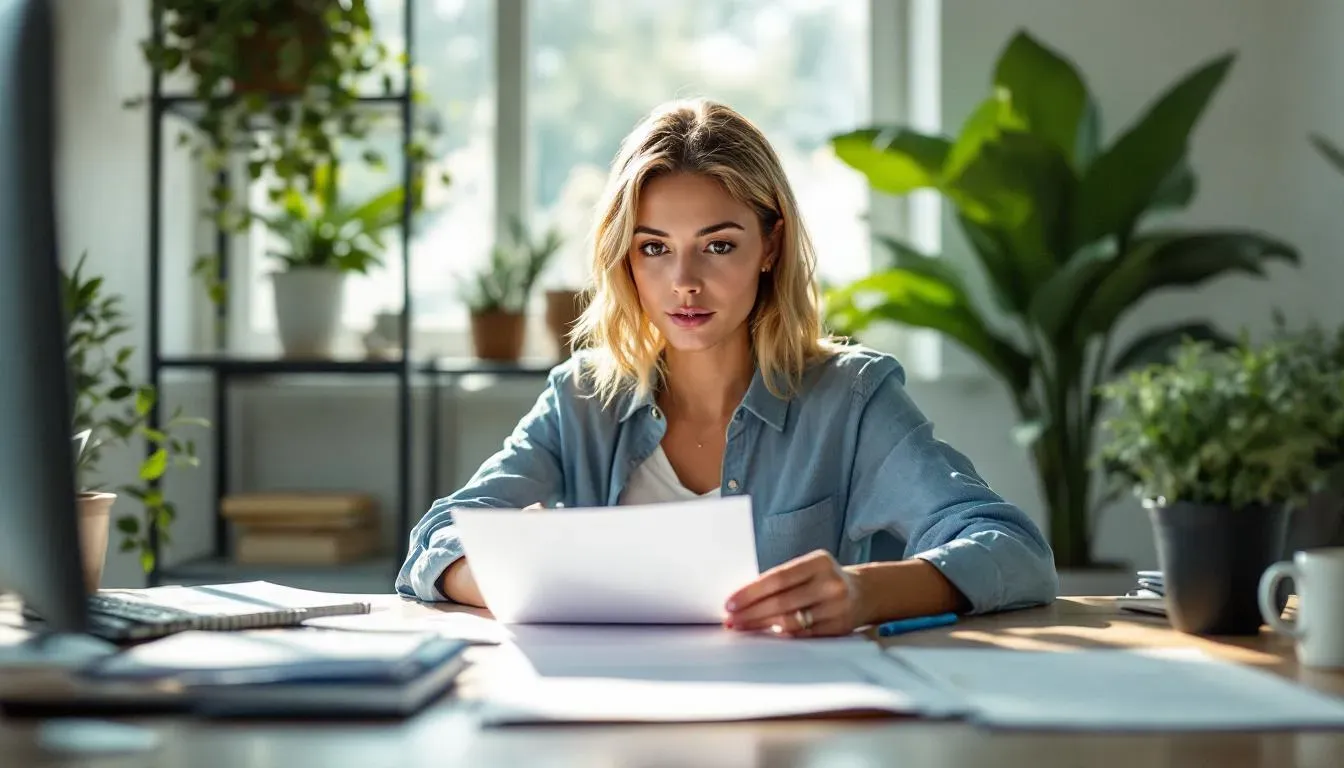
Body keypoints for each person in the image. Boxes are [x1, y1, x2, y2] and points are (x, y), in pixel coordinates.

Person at [396, 98, 1058, 637]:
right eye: (654, 248)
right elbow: (435, 541)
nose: (684, 282)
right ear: (625, 258)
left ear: (770, 246)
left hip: (794, 727)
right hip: (607, 723)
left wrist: (863, 593)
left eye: (718, 245)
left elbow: (1013, 550)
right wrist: (519, 577)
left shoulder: (850, 401)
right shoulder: (581, 398)